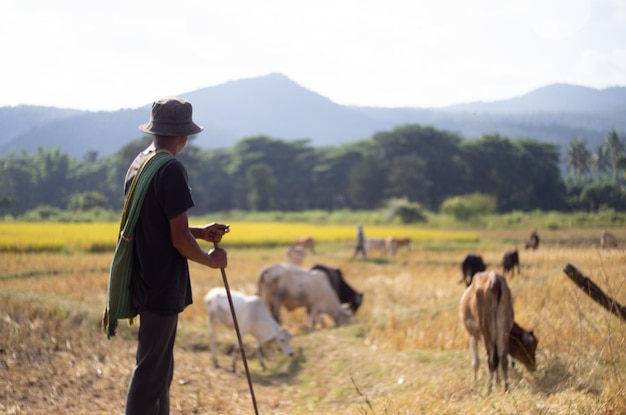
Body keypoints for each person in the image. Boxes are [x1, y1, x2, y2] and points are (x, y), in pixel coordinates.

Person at [124, 97, 229, 415]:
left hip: (143, 278)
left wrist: (200, 232)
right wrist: (212, 260)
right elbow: (178, 239)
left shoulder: (141, 163)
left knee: (158, 372)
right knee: (150, 376)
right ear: (184, 136)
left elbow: (156, 224)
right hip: (161, 284)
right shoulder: (171, 169)